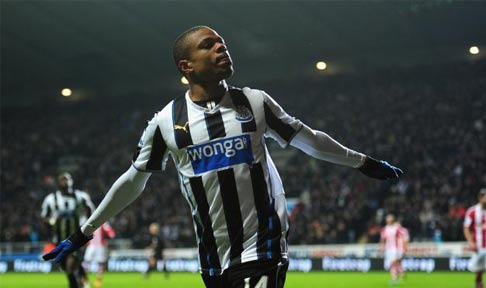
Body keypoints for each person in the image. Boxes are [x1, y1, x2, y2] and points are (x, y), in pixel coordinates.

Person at [43, 26, 403, 288]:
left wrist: (363, 162)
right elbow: (133, 181)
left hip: (262, 246)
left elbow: (309, 140)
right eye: (208, 45)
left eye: (222, 43)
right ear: (186, 65)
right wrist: (82, 234)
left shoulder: (254, 102)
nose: (221, 48)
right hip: (213, 259)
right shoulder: (166, 122)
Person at [41, 172, 95, 288]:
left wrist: (88, 226)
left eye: (68, 179)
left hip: (76, 238)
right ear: (58, 183)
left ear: (72, 181)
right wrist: (52, 222)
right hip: (59, 240)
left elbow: (91, 209)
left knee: (71, 268)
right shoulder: (51, 199)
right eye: (63, 179)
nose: (66, 181)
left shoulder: (80, 196)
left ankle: (79, 282)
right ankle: (83, 280)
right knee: (67, 269)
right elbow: (44, 218)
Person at [464, 188, 486, 288]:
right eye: (483, 196)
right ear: (479, 198)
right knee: (478, 275)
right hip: (479, 248)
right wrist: (471, 242)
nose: (484, 198)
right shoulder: (472, 211)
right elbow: (466, 228)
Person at [83, 222, 115, 288]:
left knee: (100, 263)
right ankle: (85, 280)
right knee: (86, 262)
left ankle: (98, 280)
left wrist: (111, 233)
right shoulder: (89, 222)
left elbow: (110, 231)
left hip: (100, 246)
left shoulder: (103, 223)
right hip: (91, 246)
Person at [380, 214, 409, 285]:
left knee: (393, 263)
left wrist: (404, 247)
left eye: (390, 218)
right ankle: (402, 272)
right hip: (388, 249)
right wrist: (382, 247)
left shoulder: (396, 228)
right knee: (394, 263)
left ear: (393, 220)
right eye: (388, 219)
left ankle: (394, 279)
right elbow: (383, 239)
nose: (389, 220)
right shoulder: (384, 229)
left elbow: (404, 236)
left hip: (395, 248)